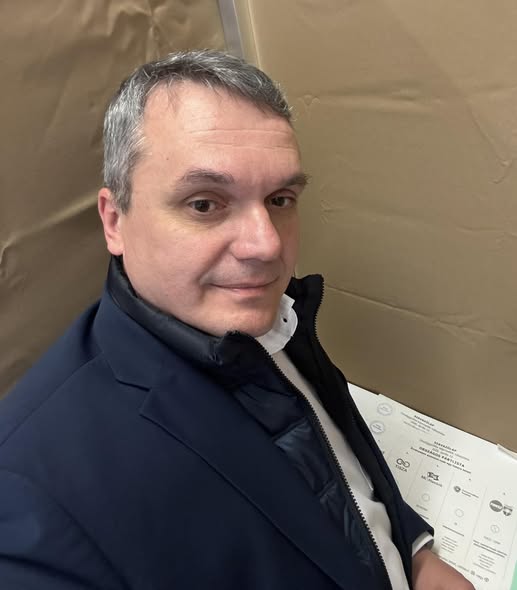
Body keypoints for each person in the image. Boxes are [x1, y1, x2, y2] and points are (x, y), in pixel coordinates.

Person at [0, 50, 473, 590]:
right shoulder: (28, 500)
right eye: (205, 204)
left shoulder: (269, 318)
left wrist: (413, 552)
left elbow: (335, 461)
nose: (266, 245)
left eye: (280, 199)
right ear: (114, 220)